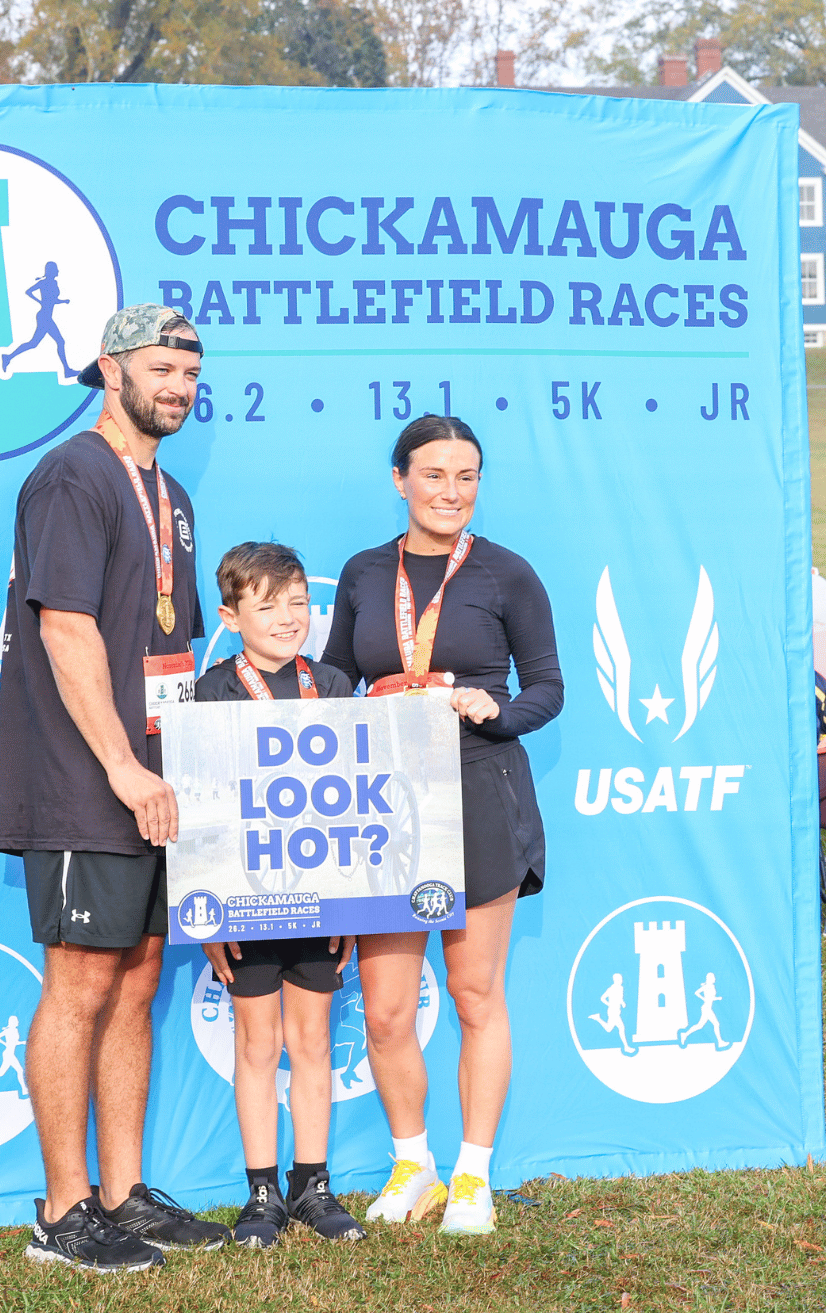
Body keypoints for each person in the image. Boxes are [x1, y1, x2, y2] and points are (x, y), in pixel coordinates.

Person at [0, 303, 230, 1274]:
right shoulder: (72, 476)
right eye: (162, 369)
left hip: (159, 780)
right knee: (81, 982)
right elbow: (65, 628)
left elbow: (169, 642)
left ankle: (124, 1195)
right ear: (110, 367)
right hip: (85, 777)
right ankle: (62, 1213)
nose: (178, 388)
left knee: (138, 976)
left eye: (191, 374)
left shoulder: (171, 493)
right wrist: (124, 767)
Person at [321, 415, 563, 1236]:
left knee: (474, 994)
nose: (451, 492)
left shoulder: (507, 573)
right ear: (400, 480)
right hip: (386, 808)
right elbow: (335, 677)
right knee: (386, 1010)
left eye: (466, 477)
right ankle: (412, 1164)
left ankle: (473, 1176)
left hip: (481, 793)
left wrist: (498, 710)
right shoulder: (364, 572)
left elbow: (549, 688)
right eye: (433, 475)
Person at [196, 542, 366, 1249]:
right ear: (230, 617)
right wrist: (208, 916)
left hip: (321, 900)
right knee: (257, 1043)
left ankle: (312, 1184)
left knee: (314, 1039)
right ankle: (262, 1190)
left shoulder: (332, 683)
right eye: (267, 606)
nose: (288, 618)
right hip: (245, 905)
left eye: (298, 603)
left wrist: (355, 906)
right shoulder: (212, 690)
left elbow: (356, 796)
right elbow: (201, 806)